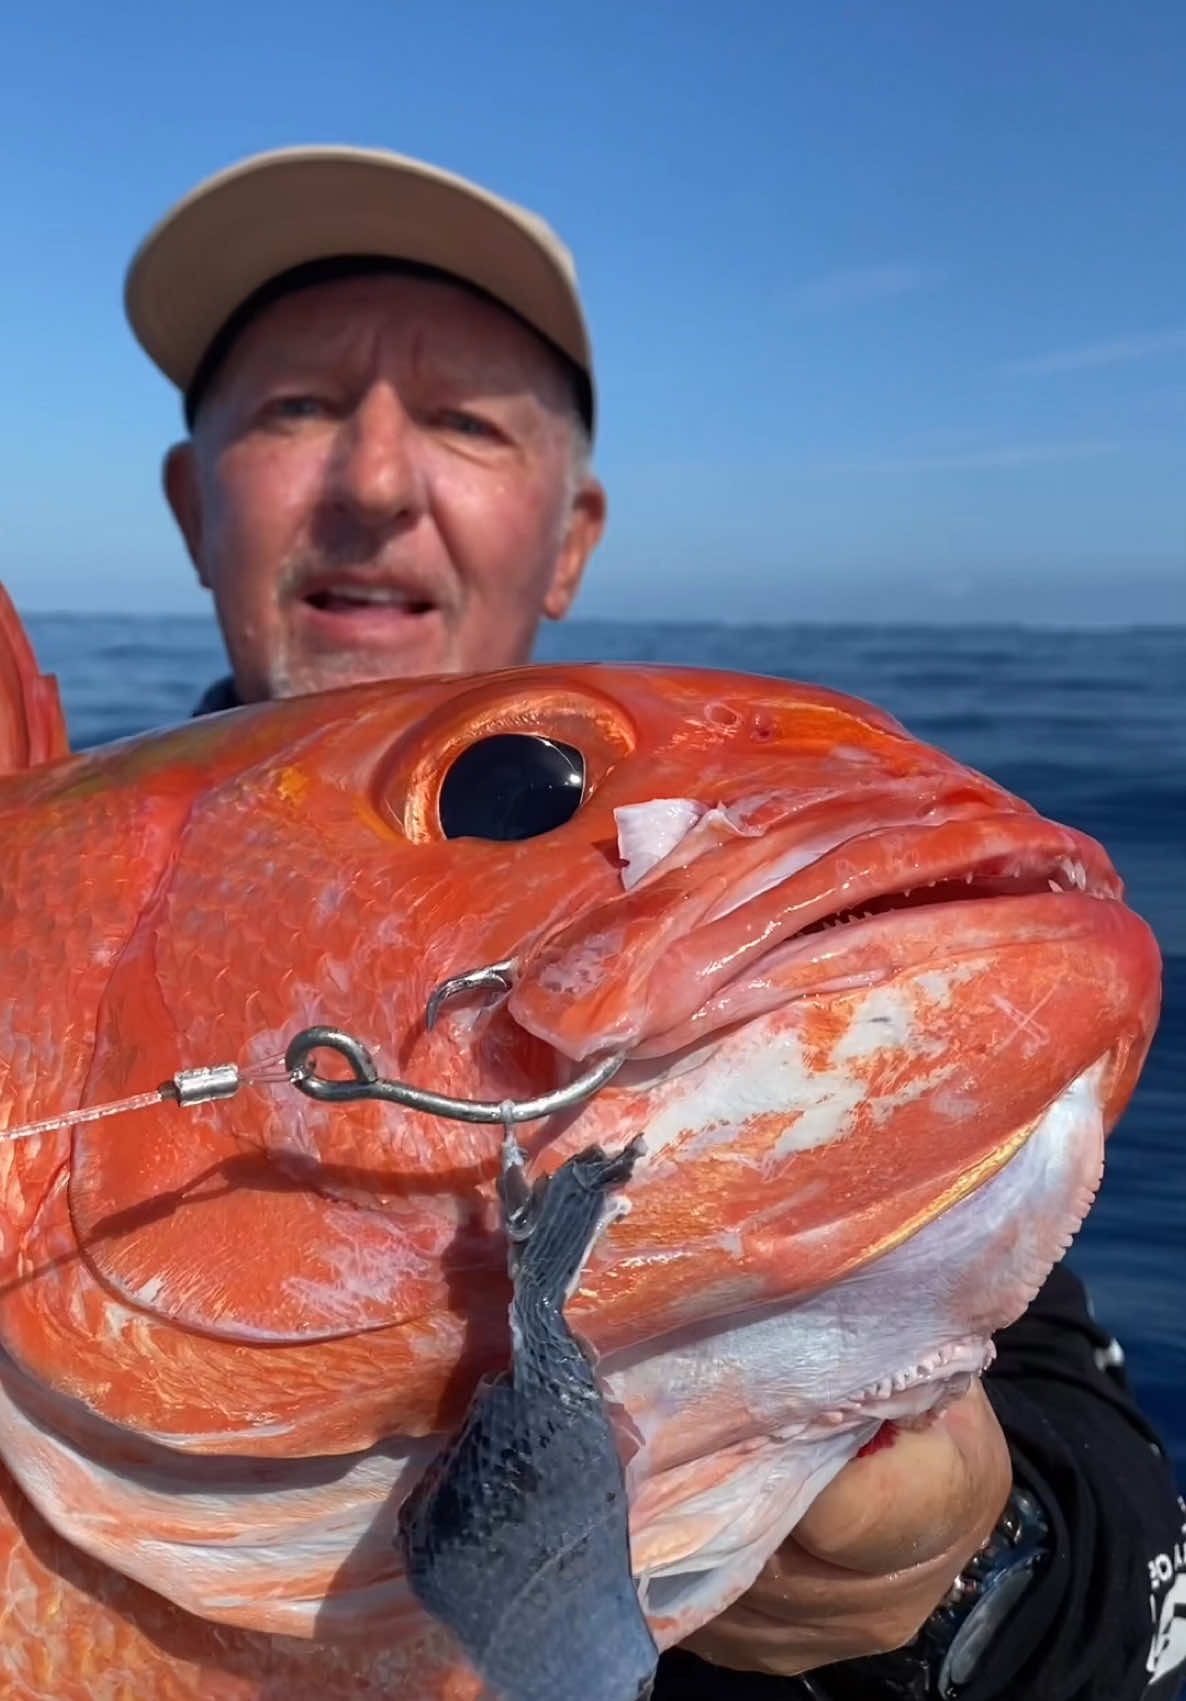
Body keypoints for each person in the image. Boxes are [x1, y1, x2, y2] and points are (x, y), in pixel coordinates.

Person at [125, 146, 1186, 1700]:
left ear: (571, 536)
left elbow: (1127, 1563)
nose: (367, 479)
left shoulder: (762, 996)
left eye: (464, 421)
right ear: (187, 500)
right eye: (292, 409)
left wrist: (963, 1557)